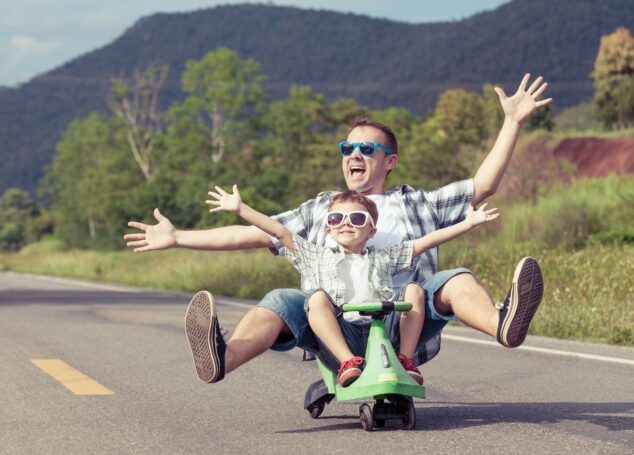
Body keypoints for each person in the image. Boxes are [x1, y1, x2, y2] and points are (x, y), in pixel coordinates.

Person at [125, 73, 550, 385]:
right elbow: (256, 234)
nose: (354, 154)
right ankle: (222, 357)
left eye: (367, 148)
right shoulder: (322, 209)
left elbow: (482, 186)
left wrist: (512, 122)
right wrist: (178, 237)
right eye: (348, 147)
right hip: (335, 329)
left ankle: (501, 324)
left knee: (456, 279)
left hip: (405, 325)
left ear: (389, 161)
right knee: (280, 300)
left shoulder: (417, 203)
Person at [204, 184, 499, 386]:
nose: (346, 223)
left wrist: (468, 223)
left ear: (371, 231)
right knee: (317, 299)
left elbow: (426, 242)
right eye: (337, 218)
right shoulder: (315, 256)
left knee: (413, 289)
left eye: (357, 218)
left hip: (385, 334)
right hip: (341, 338)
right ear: (328, 229)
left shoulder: (384, 257)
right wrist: (241, 209)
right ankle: (348, 363)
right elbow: (279, 232)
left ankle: (406, 361)